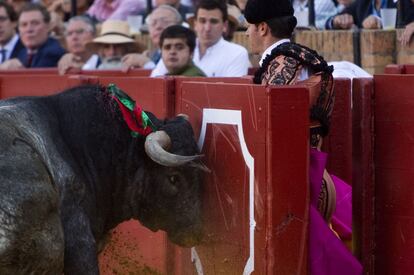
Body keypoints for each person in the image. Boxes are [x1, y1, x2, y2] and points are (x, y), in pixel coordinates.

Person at [244, 0, 362, 274]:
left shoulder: (281, 63)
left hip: (290, 174)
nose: (247, 34)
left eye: (249, 28)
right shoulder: (302, 56)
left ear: (262, 28)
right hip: (310, 166)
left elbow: (273, 132)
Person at [151, 0, 251, 77]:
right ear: (195, 24)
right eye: (202, 21)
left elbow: (231, 94)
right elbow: (155, 81)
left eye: (214, 21)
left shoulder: (237, 53)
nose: (207, 28)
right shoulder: (180, 46)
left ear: (225, 26)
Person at [1, 3, 66, 69]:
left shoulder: (53, 52)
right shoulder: (22, 53)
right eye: (24, 25)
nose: (29, 29)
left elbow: (37, 77)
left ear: (48, 26)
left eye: (35, 23)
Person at [122, 4, 182, 71]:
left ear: (179, 26)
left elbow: (170, 77)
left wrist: (146, 64)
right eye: (153, 23)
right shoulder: (152, 55)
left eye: (165, 21)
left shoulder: (184, 52)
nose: (158, 27)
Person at [325, 0, 397, 29]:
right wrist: (335, 21)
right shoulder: (362, 3)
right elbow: (329, 23)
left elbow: (405, 23)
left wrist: (380, 21)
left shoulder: (401, 2)